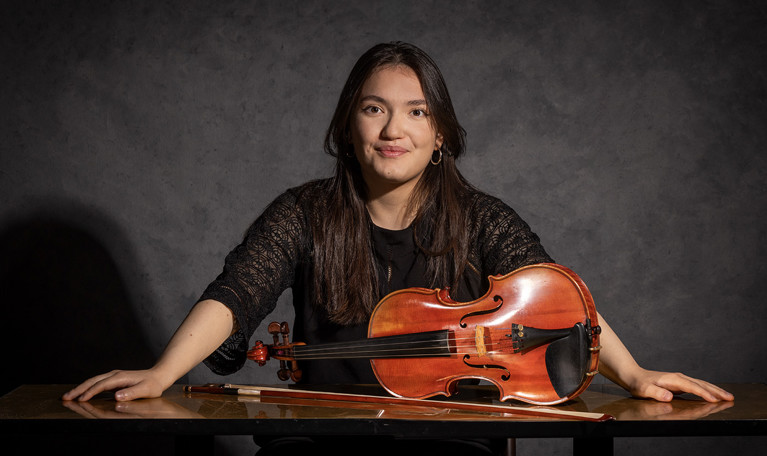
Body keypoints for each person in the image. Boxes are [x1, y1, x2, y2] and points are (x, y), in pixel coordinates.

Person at [63, 41, 733, 453]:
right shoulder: (304, 213)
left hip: (450, 440)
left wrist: (635, 374)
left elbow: (560, 303)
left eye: (416, 111)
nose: (393, 128)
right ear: (347, 126)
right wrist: (160, 373)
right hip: (317, 439)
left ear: (440, 133)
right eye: (372, 107)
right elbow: (236, 296)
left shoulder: (480, 218)